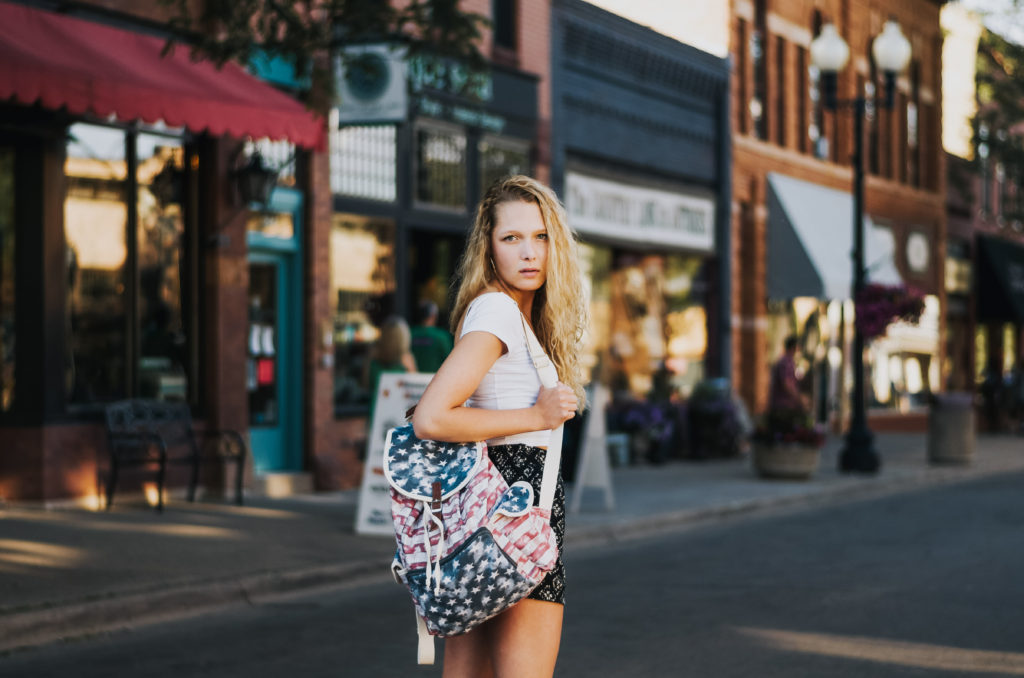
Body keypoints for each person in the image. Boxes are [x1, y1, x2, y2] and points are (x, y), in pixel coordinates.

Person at [412, 175, 586, 678]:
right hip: (517, 517)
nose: (529, 252)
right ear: (489, 249)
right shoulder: (497, 311)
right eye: (511, 238)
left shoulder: (510, 315)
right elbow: (432, 416)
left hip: (487, 517)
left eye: (540, 236)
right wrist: (537, 416)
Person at [368, 315, 417, 419]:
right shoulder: (406, 362)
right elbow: (414, 392)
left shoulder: (374, 362)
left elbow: (367, 384)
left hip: (378, 416)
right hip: (400, 416)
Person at [410, 299, 454, 373]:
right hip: (434, 380)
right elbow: (451, 361)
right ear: (433, 316)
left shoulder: (410, 334)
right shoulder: (441, 337)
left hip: (413, 380)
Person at [769, 335, 806, 416]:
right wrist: (800, 399)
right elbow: (787, 384)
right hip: (783, 407)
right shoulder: (786, 362)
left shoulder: (784, 360)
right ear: (794, 348)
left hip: (782, 406)